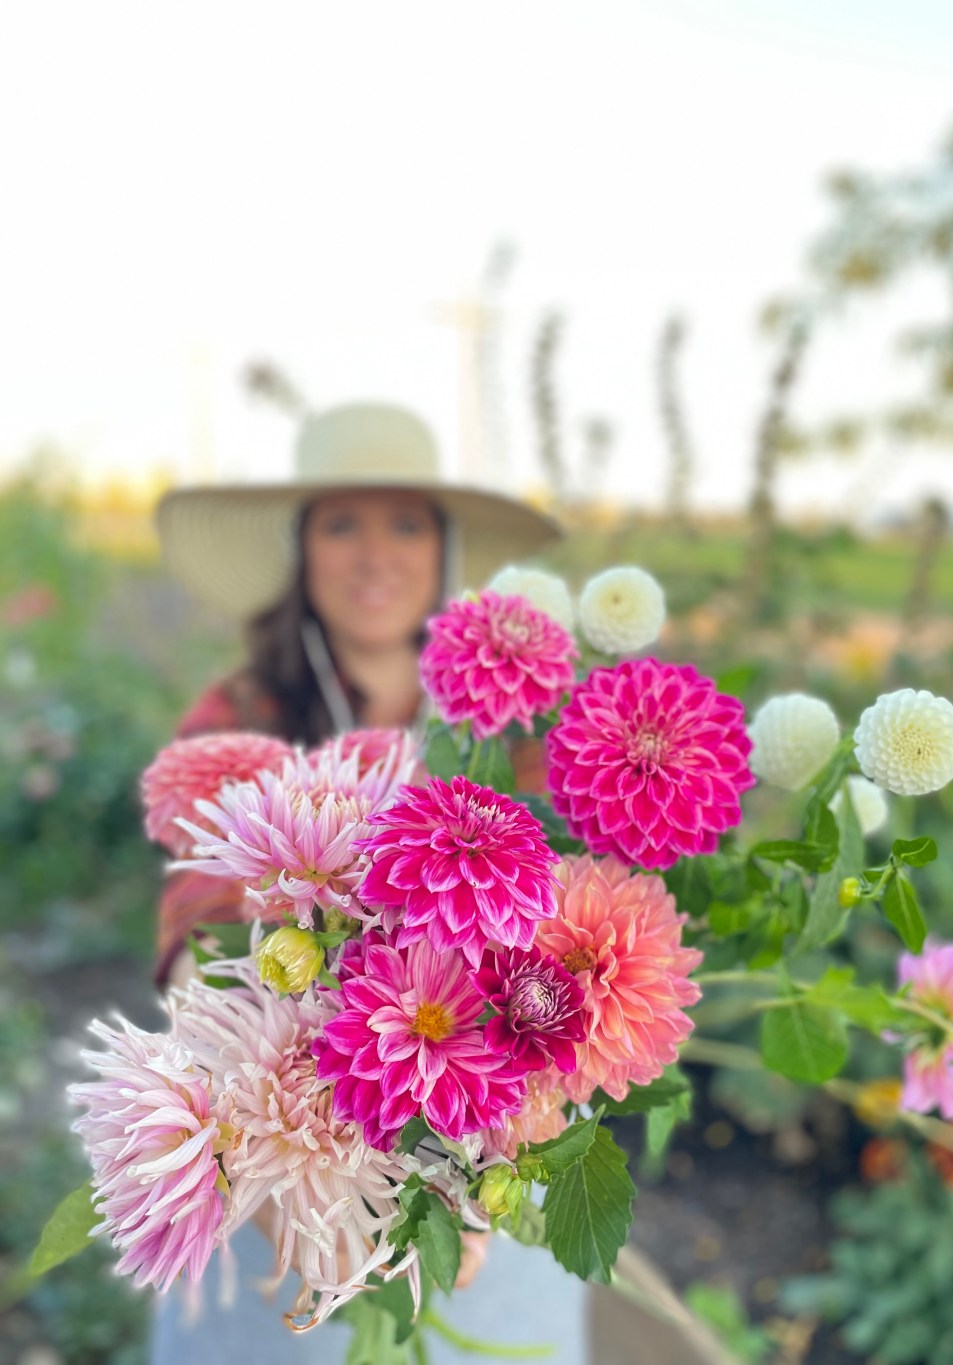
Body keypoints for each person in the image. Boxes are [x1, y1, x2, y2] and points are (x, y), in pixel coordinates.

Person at [149, 401, 589, 1364]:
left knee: (488, 1304)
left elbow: (569, 921)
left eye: (406, 522)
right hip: (294, 1129)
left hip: (486, 1115)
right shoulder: (240, 712)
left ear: (446, 547)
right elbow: (197, 911)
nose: (373, 554)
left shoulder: (519, 728)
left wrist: (503, 1136)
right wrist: (246, 1127)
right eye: (341, 522)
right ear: (301, 548)